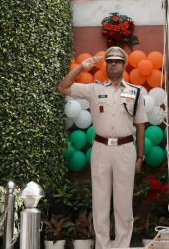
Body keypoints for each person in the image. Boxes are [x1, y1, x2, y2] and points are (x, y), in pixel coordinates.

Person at [59, 47, 146, 249]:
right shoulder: (94, 89)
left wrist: (140, 157)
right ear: (106, 65)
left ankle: (122, 245)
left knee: (124, 202)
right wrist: (82, 67)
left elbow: (141, 126)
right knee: (100, 200)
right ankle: (103, 245)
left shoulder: (135, 91)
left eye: (117, 61)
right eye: (110, 61)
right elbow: (63, 87)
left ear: (124, 65)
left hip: (125, 149)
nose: (113, 64)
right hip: (101, 148)